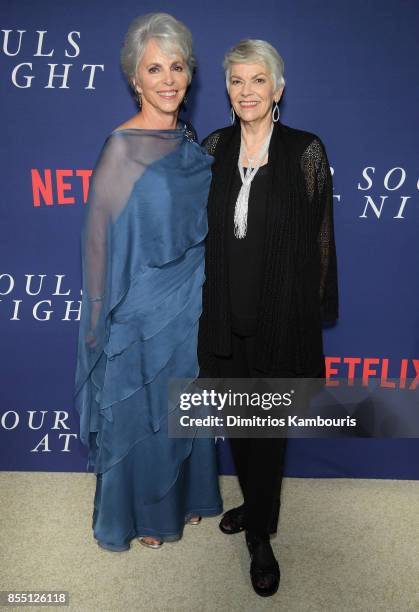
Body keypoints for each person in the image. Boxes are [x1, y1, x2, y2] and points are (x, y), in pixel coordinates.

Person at [74, 13, 222, 552]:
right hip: (140, 305)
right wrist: (97, 318)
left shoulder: (189, 140)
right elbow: (97, 241)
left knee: (184, 403)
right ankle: (141, 515)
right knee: (142, 409)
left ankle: (188, 497)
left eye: (177, 66)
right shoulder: (121, 147)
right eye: (154, 68)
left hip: (192, 296)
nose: (168, 79)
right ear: (135, 79)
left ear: (189, 73)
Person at [198, 39, 338, 596]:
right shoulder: (212, 147)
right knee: (238, 421)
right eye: (237, 80)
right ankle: (254, 504)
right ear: (228, 90)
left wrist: (315, 311)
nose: (247, 91)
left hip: (282, 315)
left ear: (278, 89)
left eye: (259, 80)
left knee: (268, 429)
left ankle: (260, 534)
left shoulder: (306, 150)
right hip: (224, 313)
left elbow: (321, 238)